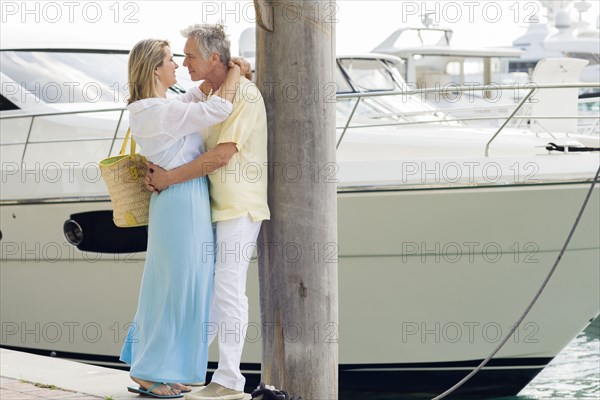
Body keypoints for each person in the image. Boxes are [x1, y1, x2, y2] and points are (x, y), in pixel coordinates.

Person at [146, 24, 270, 400]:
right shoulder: (210, 92)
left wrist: (168, 179)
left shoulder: (244, 96)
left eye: (191, 56)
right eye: (181, 57)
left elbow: (220, 155)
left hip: (238, 205)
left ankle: (230, 380)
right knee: (212, 293)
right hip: (212, 205)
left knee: (228, 290)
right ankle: (190, 369)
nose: (184, 64)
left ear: (214, 58)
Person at [119, 38, 242, 399]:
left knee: (169, 288)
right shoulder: (156, 111)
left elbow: (190, 101)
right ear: (156, 68)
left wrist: (208, 80)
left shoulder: (154, 107)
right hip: (182, 202)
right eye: (172, 60)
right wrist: (233, 70)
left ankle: (155, 368)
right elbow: (217, 110)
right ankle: (148, 371)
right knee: (179, 289)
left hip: (178, 201)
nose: (177, 65)